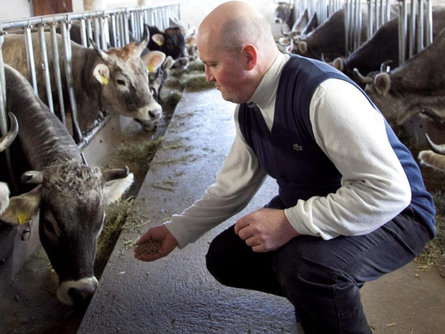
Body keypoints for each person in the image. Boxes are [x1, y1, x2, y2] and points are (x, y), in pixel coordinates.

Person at [134, 1, 436, 333]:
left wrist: (290, 221)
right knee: (226, 256)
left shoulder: (324, 95)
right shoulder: (249, 109)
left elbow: (389, 192)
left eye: (212, 64)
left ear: (249, 57)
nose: (207, 76)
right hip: (326, 200)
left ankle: (329, 296)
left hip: (398, 214)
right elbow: (230, 190)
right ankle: (324, 295)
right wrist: (176, 231)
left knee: (306, 266)